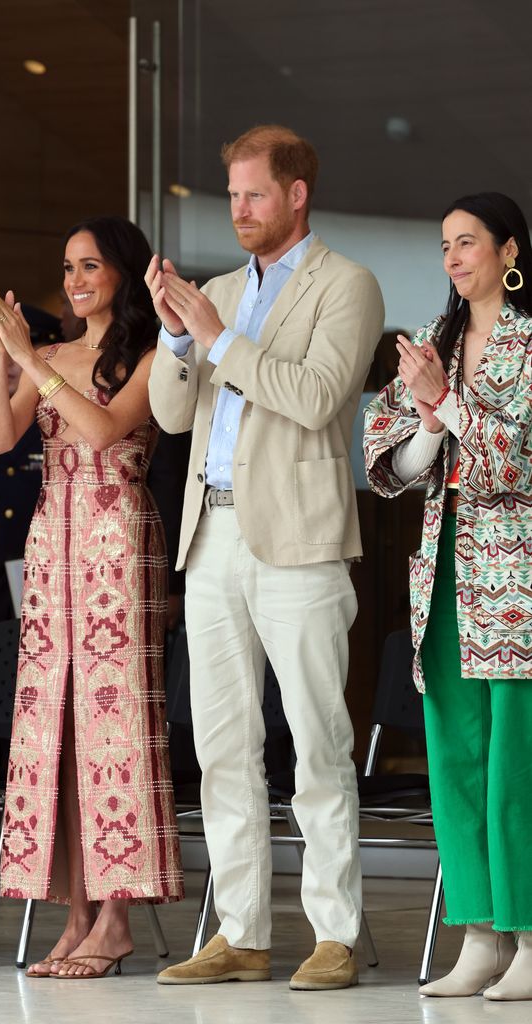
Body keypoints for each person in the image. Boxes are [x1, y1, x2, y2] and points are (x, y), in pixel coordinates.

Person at [145, 124, 385, 990]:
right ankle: (240, 931)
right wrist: (177, 340)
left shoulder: (346, 285)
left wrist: (213, 337)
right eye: (233, 194)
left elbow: (318, 398)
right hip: (209, 538)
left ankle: (336, 934)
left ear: (295, 195)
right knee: (221, 747)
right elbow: (174, 417)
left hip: (300, 543)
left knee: (318, 742)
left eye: (253, 194)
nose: (238, 209)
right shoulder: (212, 291)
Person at [0, 215, 184, 980]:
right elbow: (2, 440)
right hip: (51, 540)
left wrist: (35, 360)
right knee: (55, 717)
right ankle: (74, 913)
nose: (74, 280)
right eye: (67, 267)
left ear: (122, 273)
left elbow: (103, 432)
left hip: (117, 536)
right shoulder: (50, 353)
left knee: (114, 715)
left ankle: (118, 914)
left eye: (90, 265)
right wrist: (8, 360)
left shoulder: (151, 353)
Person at [364, 192, 532, 1002]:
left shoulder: (529, 344)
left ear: (509, 251)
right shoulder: (429, 346)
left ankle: (529, 934)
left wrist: (449, 405)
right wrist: (430, 417)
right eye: (442, 246)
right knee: (456, 759)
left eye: (467, 242)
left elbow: (511, 466)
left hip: (520, 581)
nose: (452, 258)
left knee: (516, 765)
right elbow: (388, 468)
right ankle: (479, 936)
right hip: (445, 580)